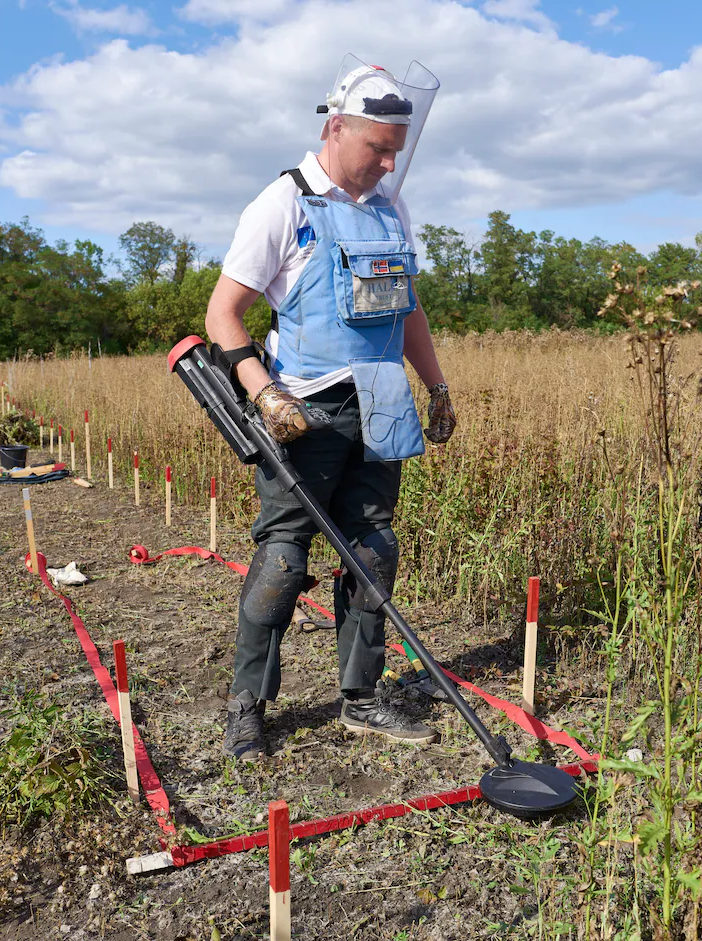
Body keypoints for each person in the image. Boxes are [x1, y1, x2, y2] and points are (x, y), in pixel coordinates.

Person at [203, 57, 455, 760]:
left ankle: (362, 696)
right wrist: (264, 391)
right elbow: (224, 315)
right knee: (283, 560)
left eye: (394, 152)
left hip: (382, 402)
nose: (385, 163)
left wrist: (435, 386)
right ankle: (248, 703)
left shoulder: (389, 208)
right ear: (335, 127)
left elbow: (409, 311)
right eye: (376, 148)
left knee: (374, 549)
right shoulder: (282, 203)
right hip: (305, 410)